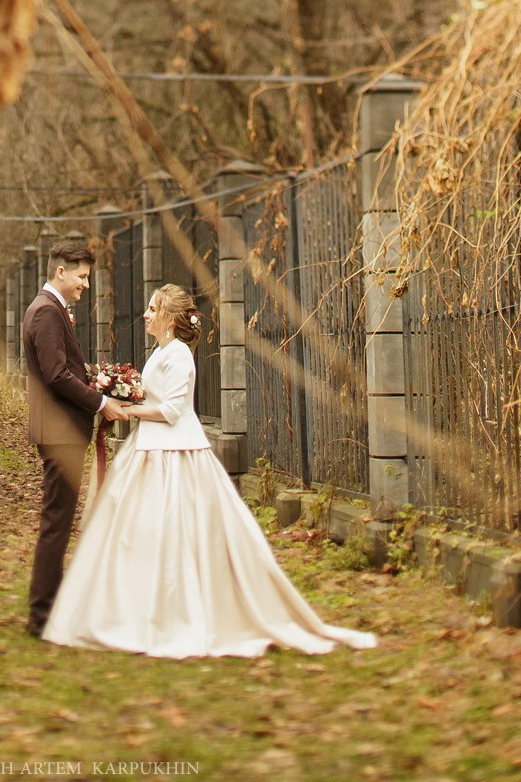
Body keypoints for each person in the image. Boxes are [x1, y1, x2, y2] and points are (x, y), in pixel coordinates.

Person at [43, 282, 378, 658]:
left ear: (169, 318)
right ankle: (131, 606)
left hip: (178, 453)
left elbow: (171, 411)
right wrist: (125, 393)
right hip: (149, 448)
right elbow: (154, 395)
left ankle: (182, 611)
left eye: (152, 309)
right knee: (135, 530)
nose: (146, 315)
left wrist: (129, 409)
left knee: (181, 529)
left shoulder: (181, 356)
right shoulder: (161, 351)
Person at [21, 235, 128, 637]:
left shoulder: (49, 308)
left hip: (59, 429)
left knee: (59, 520)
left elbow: (65, 369)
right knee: (56, 522)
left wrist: (100, 381)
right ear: (60, 272)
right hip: (59, 431)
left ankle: (49, 609)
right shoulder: (47, 312)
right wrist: (102, 403)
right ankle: (43, 616)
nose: (86, 284)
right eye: (82, 276)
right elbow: (56, 374)